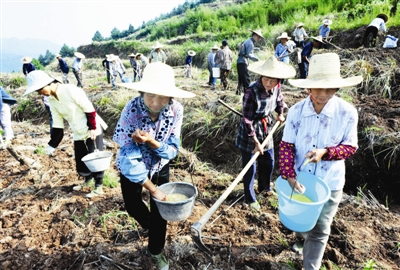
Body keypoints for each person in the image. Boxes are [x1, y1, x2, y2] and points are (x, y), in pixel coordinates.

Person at [279, 52, 362, 270]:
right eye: (318, 88)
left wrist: (326, 152)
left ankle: (310, 266)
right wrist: (289, 175)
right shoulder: (296, 112)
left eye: (329, 89)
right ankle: (300, 236)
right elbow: (287, 146)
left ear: (337, 88)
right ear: (308, 87)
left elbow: (351, 147)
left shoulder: (347, 113)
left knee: (320, 228)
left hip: (330, 182)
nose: (323, 94)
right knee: (300, 216)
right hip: (300, 177)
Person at [113, 63, 195, 270]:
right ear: (142, 91)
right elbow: (129, 160)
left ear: (171, 96)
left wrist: (152, 142)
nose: (156, 102)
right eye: (150, 95)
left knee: (161, 211)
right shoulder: (131, 110)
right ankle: (150, 225)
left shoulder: (176, 110)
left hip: (159, 164)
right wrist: (153, 189)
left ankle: (155, 249)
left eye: (163, 96)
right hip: (132, 164)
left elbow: (172, 149)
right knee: (133, 206)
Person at [24, 70, 108, 198]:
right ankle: (87, 181)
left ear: (47, 84)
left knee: (94, 157)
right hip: (78, 131)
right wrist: (52, 144)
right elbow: (57, 125)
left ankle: (99, 187)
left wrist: (92, 127)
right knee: (81, 158)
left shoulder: (70, 90)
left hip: (91, 127)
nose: (40, 93)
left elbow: (89, 108)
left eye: (40, 90)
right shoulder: (51, 101)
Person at [235, 56, 296, 211]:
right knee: (250, 167)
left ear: (278, 81)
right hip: (251, 132)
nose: (269, 83)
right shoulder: (251, 92)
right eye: (266, 79)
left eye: (273, 80)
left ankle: (265, 188)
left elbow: (280, 100)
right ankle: (250, 198)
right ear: (261, 76)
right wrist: (255, 142)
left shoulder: (276, 88)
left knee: (268, 161)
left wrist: (280, 113)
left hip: (266, 128)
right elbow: (247, 120)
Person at [237, 29, 264, 95]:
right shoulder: (250, 43)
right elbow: (249, 54)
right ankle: (248, 94)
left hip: (240, 61)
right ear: (254, 35)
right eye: (258, 37)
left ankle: (238, 93)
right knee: (246, 79)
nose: (259, 39)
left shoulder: (247, 41)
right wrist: (258, 60)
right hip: (243, 62)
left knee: (241, 79)